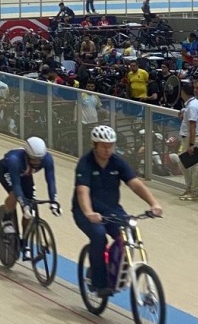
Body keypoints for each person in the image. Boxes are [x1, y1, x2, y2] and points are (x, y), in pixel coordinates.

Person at [72, 125, 163, 298]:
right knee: (99, 236)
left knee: (130, 232)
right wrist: (89, 212)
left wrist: (154, 203)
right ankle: (98, 281)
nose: (108, 150)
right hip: (86, 212)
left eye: (110, 146)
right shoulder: (85, 163)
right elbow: (82, 191)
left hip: (111, 210)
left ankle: (113, 267)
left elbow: (135, 183)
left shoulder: (117, 162)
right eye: (103, 146)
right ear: (95, 145)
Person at [0, 137, 61, 258]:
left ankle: (25, 242)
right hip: (6, 171)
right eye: (33, 159)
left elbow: (51, 181)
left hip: (25, 174)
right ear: (26, 155)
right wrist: (23, 205)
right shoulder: (15, 159)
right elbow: (16, 185)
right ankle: (6, 219)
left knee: (30, 209)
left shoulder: (47, 159)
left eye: (39, 159)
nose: (37, 162)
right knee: (15, 194)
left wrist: (54, 201)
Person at [176, 82, 198, 200]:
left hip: (191, 139)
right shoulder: (193, 104)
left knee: (194, 167)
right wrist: (184, 111)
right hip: (188, 138)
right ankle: (189, 188)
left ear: (183, 93)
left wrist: (191, 145)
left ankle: (194, 192)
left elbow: (193, 126)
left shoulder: (192, 106)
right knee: (183, 163)